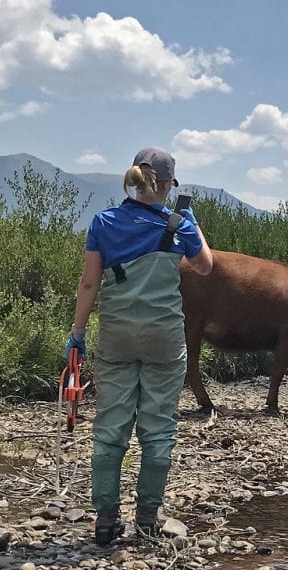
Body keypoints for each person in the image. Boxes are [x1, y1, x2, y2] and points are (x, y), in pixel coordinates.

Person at [67, 148, 213, 545]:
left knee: (110, 427)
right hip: (164, 338)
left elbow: (89, 284)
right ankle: (148, 517)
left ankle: (106, 520)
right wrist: (191, 224)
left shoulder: (103, 222)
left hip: (116, 336)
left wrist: (77, 335)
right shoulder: (177, 224)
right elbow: (205, 266)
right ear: (166, 185)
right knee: (158, 427)